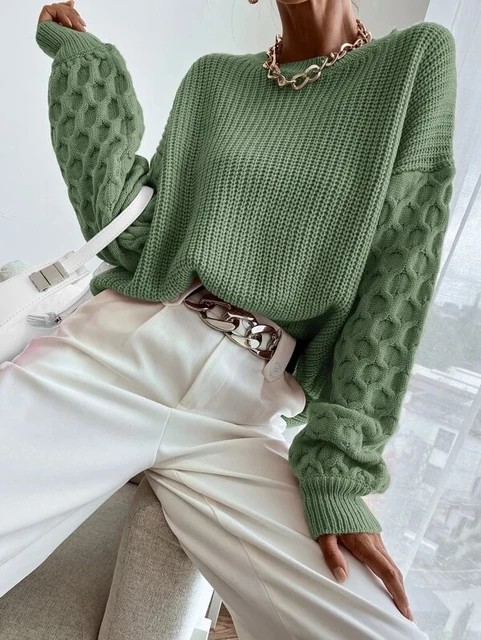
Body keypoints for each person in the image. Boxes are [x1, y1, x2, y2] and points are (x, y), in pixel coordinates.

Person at [0, 0, 456, 637]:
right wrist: (84, 66)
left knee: (373, 627)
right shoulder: (214, 79)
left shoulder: (414, 63)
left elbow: (398, 276)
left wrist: (339, 472)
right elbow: (132, 231)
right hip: (116, 356)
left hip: (243, 412)